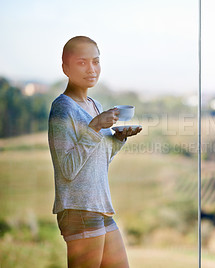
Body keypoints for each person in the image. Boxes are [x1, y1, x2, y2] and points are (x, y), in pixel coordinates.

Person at [48, 36, 141, 267]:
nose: (91, 69)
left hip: (99, 207)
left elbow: (98, 159)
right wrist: (95, 126)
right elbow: (68, 170)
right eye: (82, 62)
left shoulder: (95, 105)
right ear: (65, 68)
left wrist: (118, 138)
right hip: (78, 209)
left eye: (96, 61)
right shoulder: (62, 108)